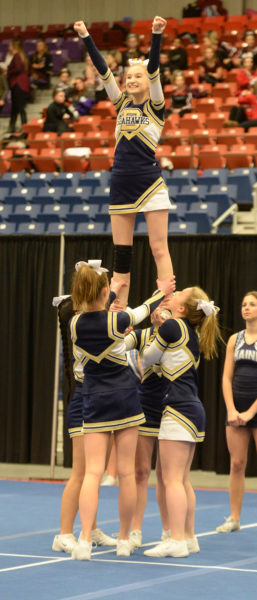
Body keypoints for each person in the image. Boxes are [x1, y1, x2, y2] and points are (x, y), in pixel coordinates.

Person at [69, 260, 174, 560]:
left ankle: (85, 540)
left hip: (94, 400)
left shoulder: (74, 324)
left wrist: (110, 292)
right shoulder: (116, 322)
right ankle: (125, 540)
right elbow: (143, 308)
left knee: (92, 473)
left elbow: (95, 310)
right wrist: (162, 290)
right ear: (103, 292)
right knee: (126, 474)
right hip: (125, 400)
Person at [73, 17, 174, 309]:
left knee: (158, 248)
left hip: (149, 182)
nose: (131, 80)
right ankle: (119, 310)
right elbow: (104, 72)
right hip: (120, 181)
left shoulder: (155, 107)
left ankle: (167, 307)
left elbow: (153, 71)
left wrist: (156, 36)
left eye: (137, 77)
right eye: (129, 77)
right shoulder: (121, 104)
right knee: (122, 253)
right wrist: (86, 37)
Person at [140, 287, 222, 558]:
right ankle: (188, 537)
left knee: (172, 479)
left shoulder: (173, 326)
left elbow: (148, 358)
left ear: (183, 308)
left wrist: (155, 327)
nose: (173, 296)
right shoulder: (189, 331)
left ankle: (175, 539)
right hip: (190, 408)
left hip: (178, 409)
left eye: (179, 294)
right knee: (180, 479)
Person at [51, 288, 122, 553]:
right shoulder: (79, 328)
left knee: (94, 472)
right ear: (78, 312)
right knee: (81, 473)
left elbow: (111, 293)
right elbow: (110, 295)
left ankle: (89, 527)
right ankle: (64, 533)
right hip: (82, 403)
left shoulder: (87, 324)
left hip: (95, 402)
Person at [124, 307, 172, 550]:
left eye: (168, 309)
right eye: (159, 308)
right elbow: (118, 344)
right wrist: (120, 324)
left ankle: (168, 530)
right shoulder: (141, 336)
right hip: (144, 409)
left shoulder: (177, 334)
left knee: (166, 476)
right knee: (141, 472)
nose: (162, 313)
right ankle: (135, 530)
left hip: (170, 409)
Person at [216, 291, 257, 534]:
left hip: (254, 409)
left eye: (252, 304)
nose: (247, 308)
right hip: (236, 411)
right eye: (244, 304)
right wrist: (231, 408)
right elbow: (226, 377)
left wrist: (251, 412)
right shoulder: (234, 339)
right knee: (237, 463)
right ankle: (234, 517)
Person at [7, 39, 30, 133]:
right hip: (22, 84)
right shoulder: (22, 55)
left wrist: (8, 71)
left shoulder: (16, 56)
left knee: (19, 107)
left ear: (13, 46)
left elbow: (18, 68)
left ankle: (24, 127)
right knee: (16, 107)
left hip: (18, 84)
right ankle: (13, 126)